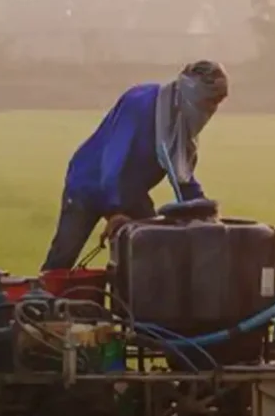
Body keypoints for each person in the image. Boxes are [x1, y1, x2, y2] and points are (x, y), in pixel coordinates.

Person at [42, 60, 230, 271]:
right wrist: (116, 211)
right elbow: (113, 160)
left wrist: (205, 212)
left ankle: (134, 299)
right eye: (209, 101)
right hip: (89, 184)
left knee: (155, 247)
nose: (212, 109)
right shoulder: (141, 104)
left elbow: (183, 179)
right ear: (192, 95)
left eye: (218, 102)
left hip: (130, 192)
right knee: (63, 257)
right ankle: (39, 300)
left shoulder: (179, 127)